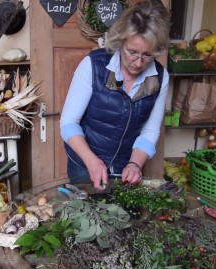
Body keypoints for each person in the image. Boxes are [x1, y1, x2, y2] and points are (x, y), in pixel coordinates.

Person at [60, 0, 170, 190]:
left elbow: (151, 131)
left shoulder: (159, 77)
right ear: (120, 42)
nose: (138, 62)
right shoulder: (93, 65)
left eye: (147, 55)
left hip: (124, 167)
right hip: (84, 163)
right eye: (132, 52)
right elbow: (68, 123)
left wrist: (135, 164)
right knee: (87, 214)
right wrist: (92, 162)